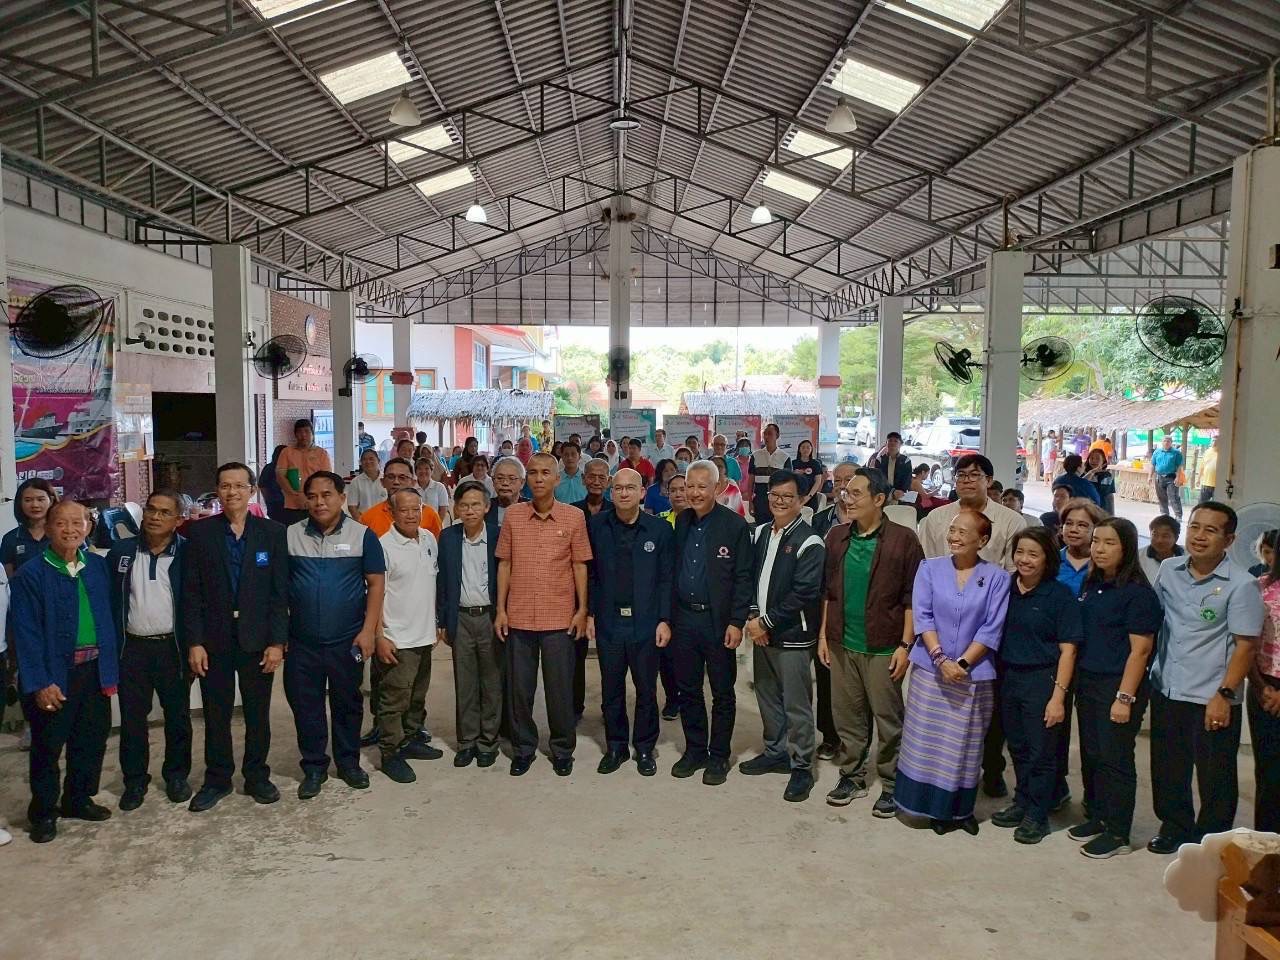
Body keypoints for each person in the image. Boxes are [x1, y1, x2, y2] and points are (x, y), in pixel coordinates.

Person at [1147, 502, 1264, 854]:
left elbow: (1246, 646)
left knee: (1215, 775)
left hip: (1212, 695)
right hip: (1168, 686)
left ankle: (1211, 838)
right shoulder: (1169, 569)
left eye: (1211, 530)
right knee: (1168, 767)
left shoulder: (1241, 585)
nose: (1199, 536)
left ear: (1229, 540)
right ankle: (1174, 826)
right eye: (1195, 527)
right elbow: (1154, 620)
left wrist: (1224, 694)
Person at [11, 500, 119, 843]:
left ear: (88, 526)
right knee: (47, 746)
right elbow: (25, 634)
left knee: (90, 739)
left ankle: (77, 799)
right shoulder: (31, 573)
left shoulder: (97, 566)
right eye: (61, 523)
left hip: (94, 670)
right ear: (48, 527)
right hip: (54, 673)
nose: (70, 529)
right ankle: (43, 812)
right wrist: (40, 682)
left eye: (78, 522)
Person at [897, 510, 1010, 835]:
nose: (954, 537)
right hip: (930, 671)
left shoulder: (997, 578)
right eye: (952, 530)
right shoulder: (929, 569)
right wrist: (940, 658)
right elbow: (923, 616)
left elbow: (992, 627)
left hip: (972, 675)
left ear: (982, 540)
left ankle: (958, 811)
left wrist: (961, 664)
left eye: (963, 532)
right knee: (926, 741)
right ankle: (924, 806)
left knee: (964, 744)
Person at [183, 463, 288, 812]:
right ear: (218, 491)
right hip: (214, 639)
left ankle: (257, 775)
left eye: (239, 486)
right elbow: (191, 593)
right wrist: (195, 642)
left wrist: (277, 642)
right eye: (225, 486)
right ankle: (217, 779)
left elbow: (279, 593)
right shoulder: (201, 534)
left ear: (252, 491)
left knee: (257, 714)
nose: (232, 492)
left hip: (257, 638)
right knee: (217, 713)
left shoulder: (272, 532)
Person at [818, 467, 923, 815]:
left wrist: (905, 646)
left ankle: (892, 783)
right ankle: (852, 776)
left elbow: (913, 597)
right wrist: (823, 635)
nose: (846, 499)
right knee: (847, 716)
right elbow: (827, 593)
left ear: (879, 499)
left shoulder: (903, 540)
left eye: (856, 493)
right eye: (845, 492)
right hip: (841, 642)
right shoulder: (836, 537)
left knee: (888, 718)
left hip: (883, 645)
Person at [284, 472, 386, 799]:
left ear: (342, 497)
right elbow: (278, 587)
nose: (319, 502)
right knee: (306, 707)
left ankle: (348, 763)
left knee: (347, 703)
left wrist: (369, 631)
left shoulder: (362, 535)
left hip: (347, 640)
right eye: (312, 496)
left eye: (327, 494)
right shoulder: (290, 535)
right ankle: (314, 767)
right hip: (302, 642)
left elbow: (376, 584)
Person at [1070, 517, 1161, 859]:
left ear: (1127, 549)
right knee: (1093, 754)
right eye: (1096, 541)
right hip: (1089, 681)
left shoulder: (1137, 593)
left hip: (1119, 685)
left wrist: (1124, 698)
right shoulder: (1093, 584)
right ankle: (1099, 816)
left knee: (1115, 758)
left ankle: (1119, 832)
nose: (1099, 548)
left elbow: (1141, 651)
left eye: (1110, 543)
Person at [496, 452, 592, 777]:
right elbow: (505, 564)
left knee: (559, 690)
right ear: (527, 479)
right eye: (533, 473)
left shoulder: (573, 517)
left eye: (545, 473)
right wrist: (501, 610)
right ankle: (523, 748)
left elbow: (579, 566)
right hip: (519, 616)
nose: (538, 478)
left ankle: (562, 749)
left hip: (559, 618)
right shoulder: (513, 516)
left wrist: (582, 610)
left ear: (557, 479)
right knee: (520, 690)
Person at [736, 471, 826, 802]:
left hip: (792, 635)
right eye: (774, 494)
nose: (779, 501)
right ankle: (775, 752)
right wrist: (753, 618)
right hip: (761, 632)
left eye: (788, 496)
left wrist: (767, 622)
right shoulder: (761, 532)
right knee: (767, 695)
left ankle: (802, 766)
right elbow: (748, 577)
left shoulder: (810, 541)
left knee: (796, 703)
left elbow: (804, 592)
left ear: (802, 501)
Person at [993, 527, 1081, 845]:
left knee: (1041, 751)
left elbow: (1069, 651)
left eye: (1033, 554)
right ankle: (1022, 801)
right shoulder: (1006, 588)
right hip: (1008, 677)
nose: (1025, 559)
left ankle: (1037, 814)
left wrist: (1058, 697)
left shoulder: (1059, 596)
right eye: (1020, 552)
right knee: (1017, 746)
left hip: (1042, 680)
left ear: (1047, 558)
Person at [106, 490, 192, 811]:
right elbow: (112, 602)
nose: (155, 517)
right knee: (132, 720)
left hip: (173, 649)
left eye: (164, 512)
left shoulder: (188, 553)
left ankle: (176, 776)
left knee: (178, 717)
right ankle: (134, 781)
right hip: (133, 650)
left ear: (178, 520)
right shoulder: (122, 551)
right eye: (151, 509)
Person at [586, 468, 674, 776]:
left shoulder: (660, 530)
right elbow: (590, 575)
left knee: (646, 689)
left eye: (630, 488)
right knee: (611, 688)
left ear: (642, 492)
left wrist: (664, 619)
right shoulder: (597, 526)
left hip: (646, 622)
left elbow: (666, 578)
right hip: (609, 621)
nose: (624, 493)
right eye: (618, 488)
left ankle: (645, 747)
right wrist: (590, 613)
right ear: (612, 492)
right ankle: (616, 746)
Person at [670, 460, 752, 786]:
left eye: (702, 486)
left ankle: (718, 755)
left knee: (722, 692)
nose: (694, 492)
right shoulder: (682, 521)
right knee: (688, 689)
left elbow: (743, 577)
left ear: (717, 488)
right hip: (684, 619)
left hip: (718, 622)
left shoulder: (735, 526)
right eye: (689, 486)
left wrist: (736, 621)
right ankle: (695, 751)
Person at [374, 488, 442, 784]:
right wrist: (379, 636)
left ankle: (411, 738)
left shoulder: (428, 539)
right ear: (392, 512)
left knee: (417, 695)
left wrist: (435, 624)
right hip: (397, 639)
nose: (412, 515)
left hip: (424, 635)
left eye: (417, 509)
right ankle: (390, 752)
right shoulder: (383, 546)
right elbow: (374, 595)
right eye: (404, 510)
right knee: (394, 699)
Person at [437, 481, 502, 768]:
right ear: (456, 508)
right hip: (460, 617)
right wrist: (442, 619)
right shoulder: (448, 537)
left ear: (487, 507)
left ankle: (488, 741)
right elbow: (442, 581)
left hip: (490, 617)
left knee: (491, 682)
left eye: (476, 504)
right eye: (464, 505)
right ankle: (467, 741)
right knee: (465, 683)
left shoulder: (498, 536)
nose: (470, 510)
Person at [920, 454, 1028, 573]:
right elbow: (927, 565)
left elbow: (1013, 572)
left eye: (974, 475)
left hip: (992, 584)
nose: (966, 480)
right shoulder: (936, 517)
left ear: (989, 481)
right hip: (943, 583)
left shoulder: (1012, 521)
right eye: (961, 475)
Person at [1251, 548, 1280, 833]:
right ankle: (1267, 838)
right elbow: (1246, 640)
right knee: (1269, 769)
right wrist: (1262, 686)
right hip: (1265, 685)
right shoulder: (1260, 586)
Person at [360, 458, 442, 540]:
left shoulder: (430, 515)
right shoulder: (368, 518)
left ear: (413, 482)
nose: (396, 482)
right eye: (391, 477)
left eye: (402, 477)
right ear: (382, 482)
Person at [276, 418, 332, 526]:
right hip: (293, 505)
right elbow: (280, 476)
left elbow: (325, 479)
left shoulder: (322, 453)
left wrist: (310, 497)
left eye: (306, 431)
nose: (303, 435)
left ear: (312, 434)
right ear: (295, 435)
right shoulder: (286, 452)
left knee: (317, 533)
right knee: (294, 534)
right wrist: (297, 496)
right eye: (299, 432)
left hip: (317, 504)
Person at [2, 477, 57, 575]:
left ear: (51, 501)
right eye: (28, 500)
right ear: (20, 503)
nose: (35, 505)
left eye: (40, 499)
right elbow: (10, 578)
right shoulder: (10, 538)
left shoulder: (64, 533)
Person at [1059, 499, 1105, 598]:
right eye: (1068, 523)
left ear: (1096, 529)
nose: (1073, 530)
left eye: (1082, 525)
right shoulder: (1050, 560)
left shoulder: (1104, 565)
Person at [748, 422, 792, 523]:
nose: (766, 437)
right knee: (760, 528)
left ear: (777, 436)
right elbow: (750, 482)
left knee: (777, 528)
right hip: (760, 500)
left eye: (770, 434)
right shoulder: (755, 455)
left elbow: (788, 484)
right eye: (765, 434)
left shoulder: (785, 457)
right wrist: (750, 502)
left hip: (778, 501)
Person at [1141, 515, 1185, 583]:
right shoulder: (1139, 557)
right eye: (1155, 535)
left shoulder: (1188, 556)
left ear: (1176, 538)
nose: (1159, 540)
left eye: (1165, 536)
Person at [1151, 434, 1185, 521]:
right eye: (1165, 441)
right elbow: (1153, 465)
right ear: (1162, 442)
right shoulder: (1157, 452)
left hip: (1171, 477)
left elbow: (1179, 467)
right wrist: (1149, 476)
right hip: (1159, 477)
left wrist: (1178, 477)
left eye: (1168, 441)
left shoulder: (1176, 453)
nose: (1166, 443)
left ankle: (1178, 515)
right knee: (1161, 497)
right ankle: (1164, 514)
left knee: (1173, 497)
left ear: (1171, 443)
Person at [869, 432, 912, 500]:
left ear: (900, 444)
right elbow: (879, 479)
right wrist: (892, 491)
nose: (892, 443)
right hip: (884, 493)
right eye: (890, 440)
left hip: (900, 495)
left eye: (896, 441)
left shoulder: (906, 461)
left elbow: (907, 479)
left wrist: (900, 492)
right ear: (886, 443)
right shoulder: (880, 460)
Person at [347, 448, 386, 521]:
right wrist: (361, 522)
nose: (368, 462)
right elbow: (352, 506)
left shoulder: (386, 479)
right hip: (364, 521)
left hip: (385, 520)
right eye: (364, 459)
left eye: (371, 459)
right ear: (361, 463)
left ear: (378, 461)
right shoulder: (356, 482)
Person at [708, 454, 749, 520]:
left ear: (725, 470)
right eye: (713, 466)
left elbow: (739, 513)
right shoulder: (703, 487)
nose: (716, 468)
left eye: (720, 466)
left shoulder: (732, 486)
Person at [789, 439, 826, 511]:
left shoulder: (815, 463)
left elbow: (818, 481)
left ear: (811, 449)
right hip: (796, 496)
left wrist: (809, 496)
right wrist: (793, 474)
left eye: (808, 447)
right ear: (799, 449)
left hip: (811, 496)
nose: (805, 449)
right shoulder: (793, 463)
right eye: (803, 447)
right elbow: (789, 480)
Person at [415, 457, 451, 525]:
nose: (423, 471)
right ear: (416, 472)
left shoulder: (439, 487)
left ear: (431, 471)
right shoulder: (412, 488)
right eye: (419, 469)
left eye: (427, 468)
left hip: (435, 524)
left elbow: (443, 509)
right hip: (416, 525)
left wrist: (437, 525)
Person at [492, 456, 527, 526]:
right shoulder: (484, 508)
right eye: (500, 478)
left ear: (522, 483)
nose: (505, 483)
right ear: (493, 481)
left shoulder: (532, 509)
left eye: (512, 478)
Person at [1082, 449, 1115, 514]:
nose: (1094, 461)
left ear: (1103, 461)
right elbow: (1080, 485)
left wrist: (1111, 514)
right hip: (1086, 509)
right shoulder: (1084, 473)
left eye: (1097, 458)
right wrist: (1092, 472)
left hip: (1102, 509)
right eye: (1092, 458)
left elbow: (1109, 496)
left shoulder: (1108, 476)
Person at [260, 444, 288, 522]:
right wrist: (268, 499)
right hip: (276, 502)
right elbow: (262, 486)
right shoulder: (270, 468)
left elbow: (262, 486)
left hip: (283, 503)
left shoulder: (290, 468)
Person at [1198, 437, 1219, 503]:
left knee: (1216, 505)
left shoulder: (1223, 453)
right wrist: (1198, 479)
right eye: (1213, 440)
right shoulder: (1207, 452)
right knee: (1201, 504)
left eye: (1216, 440)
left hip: (1217, 485)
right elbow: (1202, 467)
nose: (1214, 442)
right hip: (1206, 483)